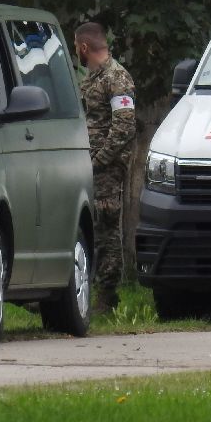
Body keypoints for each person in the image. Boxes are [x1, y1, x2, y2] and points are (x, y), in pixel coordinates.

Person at [75, 22, 137, 314]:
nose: (76, 52)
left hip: (107, 168)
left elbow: (124, 127)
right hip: (88, 164)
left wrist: (99, 161)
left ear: (84, 47)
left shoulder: (117, 78)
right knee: (93, 225)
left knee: (107, 227)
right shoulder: (93, 78)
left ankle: (107, 294)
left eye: (76, 47)